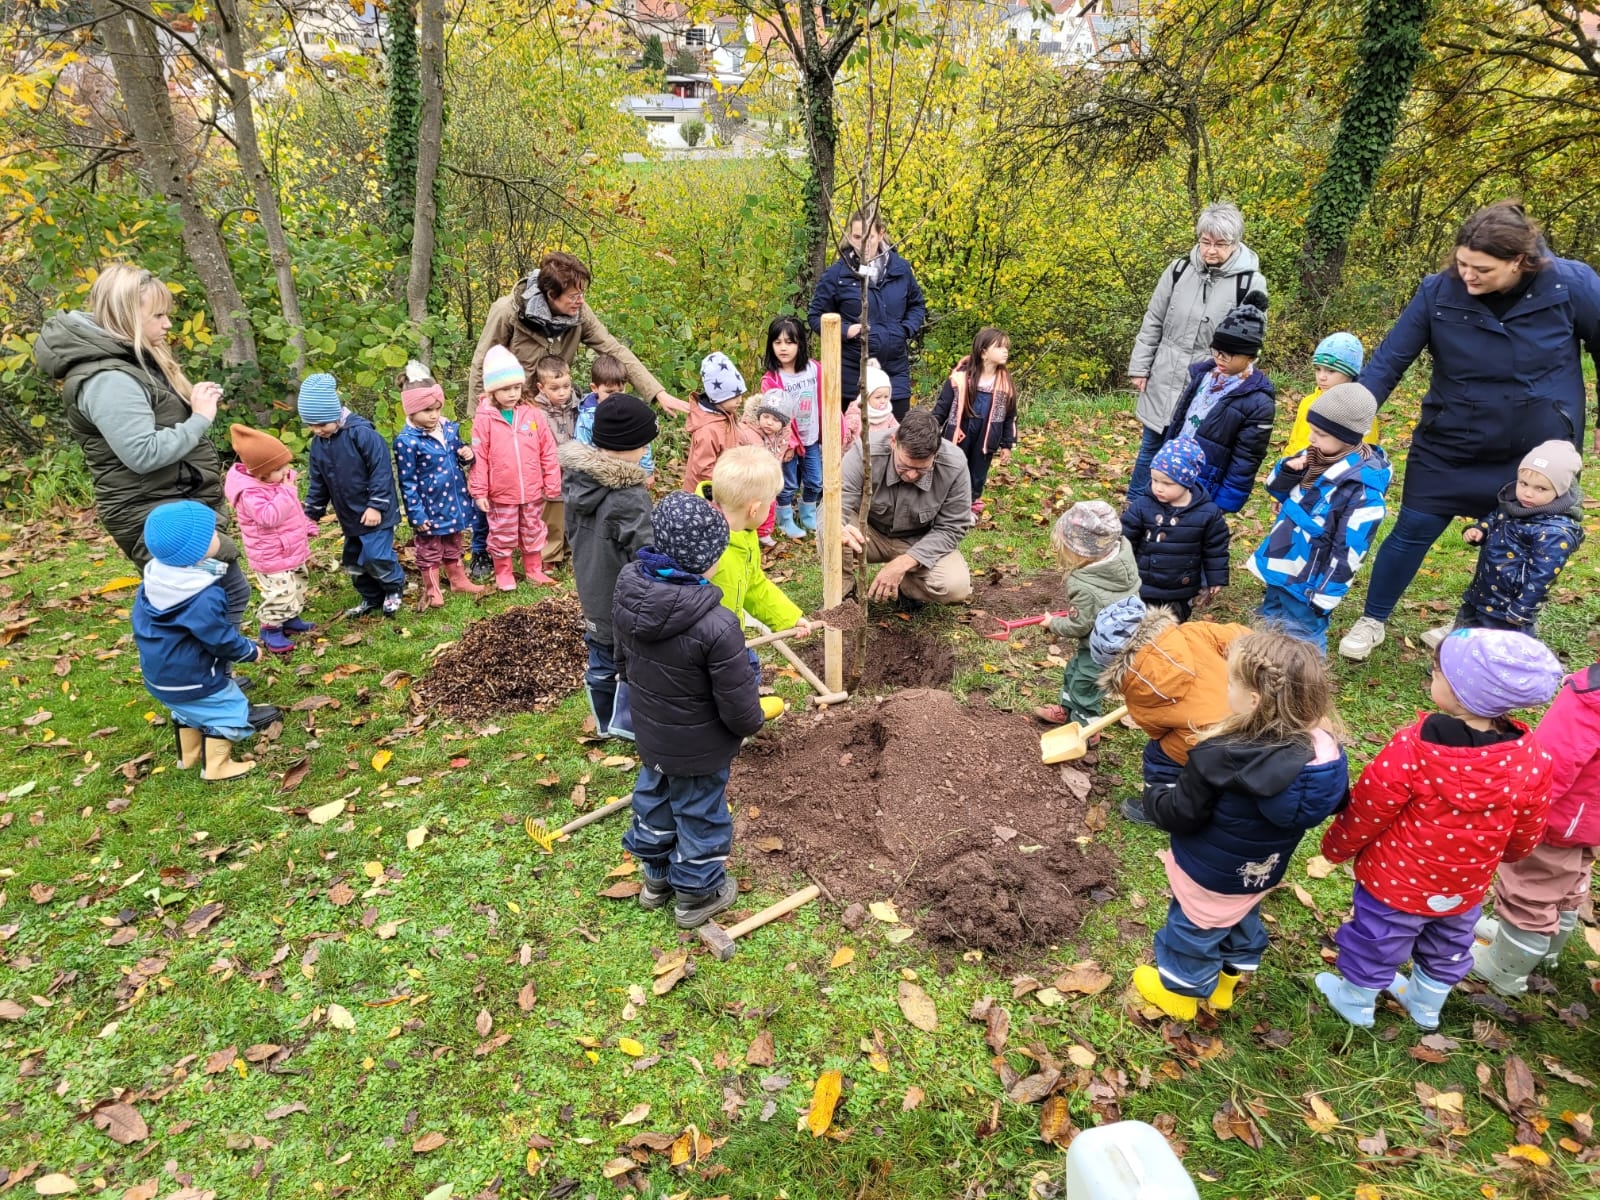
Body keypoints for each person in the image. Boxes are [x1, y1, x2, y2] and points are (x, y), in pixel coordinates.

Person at [1338, 201, 1600, 662]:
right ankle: (1372, 618)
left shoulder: (1570, 284)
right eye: (1461, 264)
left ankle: (1474, 623)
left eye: (1481, 268)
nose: (1468, 276)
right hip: (1452, 436)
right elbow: (1389, 361)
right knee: (1413, 527)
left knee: (1510, 541)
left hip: (1534, 449)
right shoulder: (1438, 291)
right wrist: (1347, 418)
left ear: (1519, 262)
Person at [1315, 629, 1563, 1030]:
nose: (1432, 675)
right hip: (1465, 886)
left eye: (1438, 672)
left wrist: (1336, 846)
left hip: (1394, 882)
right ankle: (1425, 1006)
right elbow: (1529, 826)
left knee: (1378, 938)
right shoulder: (1532, 758)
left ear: (1466, 693)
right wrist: (1510, 855)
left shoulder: (1413, 748)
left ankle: (1356, 1000)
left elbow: (1370, 806)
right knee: (1449, 944)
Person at [1131, 630, 1349, 1021]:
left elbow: (1180, 814)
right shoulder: (1326, 754)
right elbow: (1338, 801)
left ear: (1252, 699)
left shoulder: (1218, 756)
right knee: (1240, 913)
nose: (1225, 686)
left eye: (1230, 680)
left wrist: (1155, 792)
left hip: (1208, 870)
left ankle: (1180, 994)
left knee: (1193, 927)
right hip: (1263, 868)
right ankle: (1229, 981)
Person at [33, 263, 250, 628]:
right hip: (148, 510)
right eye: (158, 315)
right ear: (128, 316)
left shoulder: (130, 361)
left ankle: (210, 678)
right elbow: (143, 454)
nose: (167, 324)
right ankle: (198, 681)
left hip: (175, 501)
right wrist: (200, 417)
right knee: (207, 602)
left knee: (214, 597)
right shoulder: (108, 379)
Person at [614, 492, 767, 930]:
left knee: (655, 798)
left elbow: (623, 662)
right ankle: (697, 894)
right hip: (700, 747)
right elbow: (738, 704)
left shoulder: (630, 592)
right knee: (700, 812)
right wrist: (753, 721)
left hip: (652, 732)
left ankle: (656, 879)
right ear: (706, 559)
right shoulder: (717, 625)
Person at [1472, 658, 1600, 995]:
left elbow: (1553, 761)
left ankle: (1505, 967)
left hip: (1559, 817)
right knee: (1571, 878)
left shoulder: (1590, 697)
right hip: (1590, 817)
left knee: (1532, 886)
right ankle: (1546, 949)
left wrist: (1523, 803)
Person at [1126, 203, 1268, 500]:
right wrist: (1141, 367)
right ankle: (1135, 513)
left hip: (1209, 386)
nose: (1210, 251)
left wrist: (1234, 384)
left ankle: (1181, 520)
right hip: (1165, 375)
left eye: (1219, 244)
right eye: (1205, 242)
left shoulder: (1250, 282)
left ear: (1236, 242)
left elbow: (1250, 342)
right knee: (1150, 448)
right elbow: (1154, 319)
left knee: (1193, 457)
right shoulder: (1178, 270)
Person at [131, 502, 279, 781]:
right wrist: (248, 650)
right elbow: (219, 638)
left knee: (187, 712)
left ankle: (188, 757)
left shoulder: (156, 579)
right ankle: (217, 767)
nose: (218, 537)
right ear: (193, 551)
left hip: (160, 673)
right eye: (210, 534)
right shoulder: (200, 596)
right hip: (193, 675)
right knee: (228, 709)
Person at [1247, 384, 1392, 653]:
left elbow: (1350, 550)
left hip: (1309, 582)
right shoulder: (1312, 456)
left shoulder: (1363, 492)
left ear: (1347, 437)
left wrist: (1325, 594)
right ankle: (1263, 671)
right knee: (1269, 622)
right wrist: (1288, 471)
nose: (1311, 439)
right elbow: (1275, 489)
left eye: (1320, 434)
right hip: (1280, 561)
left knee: (1303, 638)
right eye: (1312, 430)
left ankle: (1306, 688)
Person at [1093, 597, 1251, 826]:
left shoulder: (1139, 697)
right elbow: (1239, 636)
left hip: (1210, 741)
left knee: (1158, 756)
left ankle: (1161, 809)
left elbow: (1158, 732)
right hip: (1255, 714)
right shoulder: (1193, 632)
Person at [468, 250, 689, 414]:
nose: (580, 301)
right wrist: (480, 415)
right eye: (574, 296)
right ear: (552, 295)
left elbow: (613, 349)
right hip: (514, 408)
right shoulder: (508, 312)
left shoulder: (580, 313)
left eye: (583, 293)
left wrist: (658, 393)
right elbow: (482, 363)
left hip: (557, 409)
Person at [1420, 439, 1584, 649]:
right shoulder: (1515, 505)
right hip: (1482, 592)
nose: (1528, 493)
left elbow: (1542, 575)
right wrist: (1480, 529)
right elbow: (1495, 518)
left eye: (1540, 488)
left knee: (1500, 649)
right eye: (1523, 483)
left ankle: (1499, 677)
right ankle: (1452, 670)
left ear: (1560, 491)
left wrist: (1522, 608)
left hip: (1507, 606)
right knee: (1463, 634)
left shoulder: (1555, 532)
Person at [561, 394, 658, 740]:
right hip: (625, 596)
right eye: (644, 442)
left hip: (591, 588)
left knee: (600, 655)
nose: (647, 449)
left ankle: (604, 722)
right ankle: (628, 725)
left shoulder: (577, 480)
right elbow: (646, 550)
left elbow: (571, 532)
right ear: (629, 445)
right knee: (632, 662)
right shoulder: (628, 496)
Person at [839, 408, 974, 608]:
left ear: (935, 454)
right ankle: (844, 596)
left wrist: (903, 563)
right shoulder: (864, 452)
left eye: (921, 469)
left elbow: (952, 527)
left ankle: (907, 587)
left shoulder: (954, 464)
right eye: (904, 466)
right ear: (893, 442)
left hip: (918, 539)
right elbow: (835, 506)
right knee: (831, 528)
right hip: (867, 533)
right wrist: (839, 531)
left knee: (955, 587)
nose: (911, 475)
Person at [300, 373, 406, 618]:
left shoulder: (363, 434)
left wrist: (376, 505)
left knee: (376, 555)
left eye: (322, 424)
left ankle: (393, 589)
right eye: (312, 426)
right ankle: (371, 597)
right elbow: (319, 482)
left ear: (335, 414)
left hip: (376, 512)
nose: (318, 430)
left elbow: (381, 471)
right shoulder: (319, 445)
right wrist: (312, 514)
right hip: (350, 515)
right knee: (354, 560)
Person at [1157, 297, 1276, 514]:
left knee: (1189, 539)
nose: (1220, 358)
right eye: (1216, 350)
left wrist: (1224, 503)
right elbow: (1180, 421)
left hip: (1206, 487)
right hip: (1172, 471)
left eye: (1228, 354)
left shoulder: (1258, 401)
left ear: (1250, 356)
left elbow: (1247, 458)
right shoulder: (1202, 375)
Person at [808, 209, 927, 419]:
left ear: (881, 234)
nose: (862, 243)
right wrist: (845, 331)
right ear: (848, 237)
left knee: (896, 438)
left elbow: (917, 305)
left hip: (893, 371)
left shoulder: (901, 269)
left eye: (868, 237)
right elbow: (815, 316)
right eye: (856, 237)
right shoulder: (837, 274)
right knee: (851, 439)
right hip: (852, 373)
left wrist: (904, 330)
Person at [1032, 501, 1141, 729]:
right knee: (1073, 671)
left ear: (1081, 551)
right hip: (1120, 637)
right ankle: (1067, 710)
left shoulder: (1086, 589)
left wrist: (1053, 623)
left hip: (1100, 649)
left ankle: (1086, 726)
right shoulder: (1121, 554)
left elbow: (1078, 626)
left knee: (1085, 683)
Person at [701, 446, 812, 655]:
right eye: (771, 503)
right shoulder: (698, 541)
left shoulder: (743, 533)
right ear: (754, 509)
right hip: (703, 649)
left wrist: (788, 618)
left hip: (726, 637)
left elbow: (753, 584)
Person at [469, 346, 561, 590]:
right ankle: (504, 573)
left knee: (533, 529)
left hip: (532, 489)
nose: (511, 394)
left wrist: (552, 481)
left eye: (515, 387)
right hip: (501, 493)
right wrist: (479, 491)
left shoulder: (532, 414)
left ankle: (534, 569)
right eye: (504, 389)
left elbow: (547, 449)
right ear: (492, 390)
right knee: (502, 532)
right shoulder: (485, 418)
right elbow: (480, 456)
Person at [224, 425, 319, 653]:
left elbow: (292, 511)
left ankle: (290, 618)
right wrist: (287, 492)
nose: (286, 472)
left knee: (297, 584)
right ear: (261, 473)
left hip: (290, 549)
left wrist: (305, 525)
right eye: (280, 468)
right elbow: (269, 517)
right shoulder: (251, 493)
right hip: (271, 555)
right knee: (280, 592)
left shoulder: (276, 483)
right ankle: (271, 627)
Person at [393, 363, 481, 606]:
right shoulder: (407, 442)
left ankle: (458, 579)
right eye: (426, 410)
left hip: (454, 499)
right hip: (429, 505)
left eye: (437, 408)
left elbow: (458, 454)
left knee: (454, 541)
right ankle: (432, 588)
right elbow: (407, 481)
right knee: (429, 547)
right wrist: (416, 515)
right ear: (410, 411)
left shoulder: (449, 429)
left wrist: (467, 455)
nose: (433, 415)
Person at [1120, 439, 1229, 623]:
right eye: (1154, 480)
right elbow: (1125, 540)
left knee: (1173, 628)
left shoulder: (1207, 513)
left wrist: (1215, 578)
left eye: (1167, 483)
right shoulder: (1142, 506)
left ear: (1187, 481)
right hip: (1143, 585)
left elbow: (1215, 549)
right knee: (1138, 626)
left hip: (1180, 589)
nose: (1158, 488)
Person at [931, 327, 1017, 514]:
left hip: (986, 437)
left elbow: (1010, 417)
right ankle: (944, 505)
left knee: (977, 472)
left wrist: (1007, 444)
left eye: (1006, 348)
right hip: (959, 433)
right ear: (984, 352)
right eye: (1000, 347)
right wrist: (929, 428)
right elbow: (942, 408)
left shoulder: (1005, 384)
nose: (1005, 351)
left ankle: (970, 507)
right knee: (952, 467)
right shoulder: (959, 379)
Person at [759, 316, 828, 532]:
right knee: (788, 483)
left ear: (800, 344)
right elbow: (771, 417)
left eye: (790, 342)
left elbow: (828, 398)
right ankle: (785, 519)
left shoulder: (814, 369)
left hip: (811, 437)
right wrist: (788, 443)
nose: (783, 348)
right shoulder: (772, 379)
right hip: (786, 441)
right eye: (777, 342)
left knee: (816, 480)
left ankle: (808, 515)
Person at [1283, 333, 1379, 455]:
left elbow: (1364, 456)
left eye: (1331, 371)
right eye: (1318, 369)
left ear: (1350, 374)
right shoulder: (1307, 402)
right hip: (1295, 468)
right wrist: (1284, 466)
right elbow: (1294, 443)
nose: (1321, 377)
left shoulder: (1360, 411)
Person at [528, 354, 582, 566]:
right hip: (549, 472)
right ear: (542, 387)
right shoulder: (536, 412)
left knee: (572, 511)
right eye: (555, 388)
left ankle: (569, 550)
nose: (562, 392)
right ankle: (550, 555)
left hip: (574, 469)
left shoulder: (578, 406)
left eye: (566, 386)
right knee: (552, 515)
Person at [683, 352, 761, 494]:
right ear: (718, 397)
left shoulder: (726, 415)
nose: (740, 400)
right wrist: (730, 483)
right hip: (704, 493)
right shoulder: (708, 430)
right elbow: (702, 469)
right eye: (734, 396)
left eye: (740, 395)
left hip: (722, 484)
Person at [575, 353, 657, 482]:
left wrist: (647, 470)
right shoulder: (587, 416)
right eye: (609, 392)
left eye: (621, 390)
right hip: (601, 476)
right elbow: (582, 450)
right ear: (594, 388)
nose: (615, 396)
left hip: (630, 473)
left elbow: (642, 441)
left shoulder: (630, 410)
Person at [749, 390, 801, 543]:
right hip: (752, 476)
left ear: (783, 423)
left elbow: (780, 452)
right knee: (750, 505)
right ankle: (748, 530)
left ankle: (764, 532)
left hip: (770, 475)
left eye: (775, 420)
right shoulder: (749, 431)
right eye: (765, 417)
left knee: (770, 503)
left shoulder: (783, 433)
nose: (769, 422)